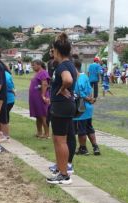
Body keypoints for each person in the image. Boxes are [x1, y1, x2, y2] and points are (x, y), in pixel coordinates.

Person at [46, 33, 76, 185]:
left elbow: (68, 80)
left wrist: (62, 89)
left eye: (53, 50)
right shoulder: (69, 64)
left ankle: (64, 175)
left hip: (62, 106)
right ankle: (61, 170)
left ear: (57, 50)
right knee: (58, 140)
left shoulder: (63, 65)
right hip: (64, 106)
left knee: (60, 141)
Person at [73, 60, 101, 156]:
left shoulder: (78, 78)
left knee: (81, 129)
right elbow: (90, 89)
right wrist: (91, 99)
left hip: (81, 107)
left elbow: (80, 93)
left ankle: (83, 148)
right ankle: (95, 147)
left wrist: (88, 99)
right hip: (88, 107)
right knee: (89, 128)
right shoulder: (85, 76)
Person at [29, 59, 50, 139]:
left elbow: (44, 84)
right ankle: (39, 132)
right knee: (38, 115)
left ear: (39, 65)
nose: (32, 67)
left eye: (33, 65)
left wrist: (43, 95)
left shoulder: (43, 72)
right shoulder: (37, 73)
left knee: (43, 115)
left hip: (40, 97)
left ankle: (47, 133)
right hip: (35, 98)